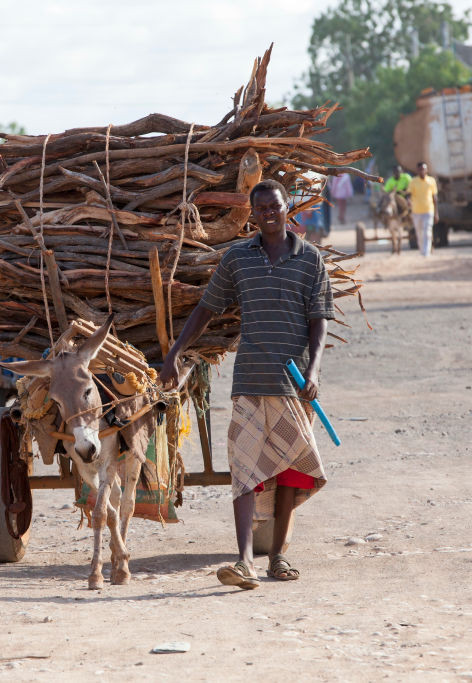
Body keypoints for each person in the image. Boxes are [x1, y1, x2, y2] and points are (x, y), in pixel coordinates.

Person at [159, 179, 332, 590]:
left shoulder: (310, 259)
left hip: (293, 383)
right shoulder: (238, 258)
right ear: (252, 215)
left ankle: (278, 556)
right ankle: (244, 561)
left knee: (290, 468)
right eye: (262, 208)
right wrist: (176, 352)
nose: (269, 213)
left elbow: (319, 320)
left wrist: (313, 372)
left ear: (288, 208)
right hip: (250, 379)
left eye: (275, 206)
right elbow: (207, 308)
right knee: (244, 468)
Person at [409, 162, 438, 257]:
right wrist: (409, 202)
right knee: (419, 232)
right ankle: (422, 250)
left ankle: (426, 252)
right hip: (416, 211)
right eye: (420, 169)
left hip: (429, 210)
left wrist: (436, 213)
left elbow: (434, 198)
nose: (422, 171)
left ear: (426, 170)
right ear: (417, 171)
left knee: (427, 231)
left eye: (423, 169)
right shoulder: (413, 181)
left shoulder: (431, 181)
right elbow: (409, 195)